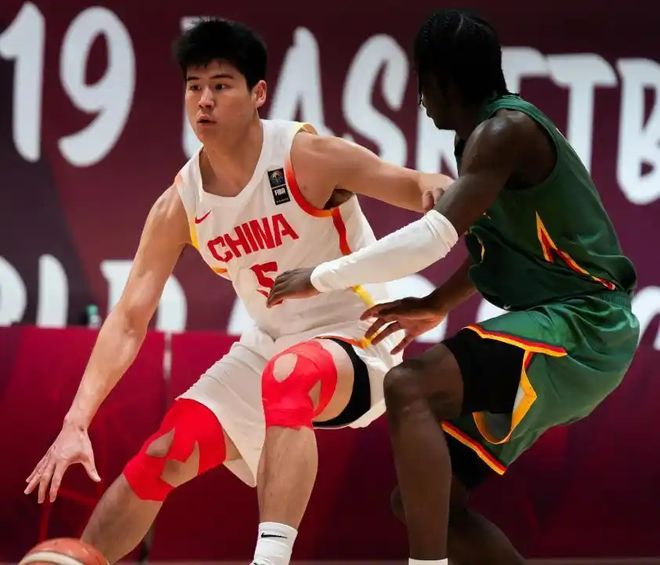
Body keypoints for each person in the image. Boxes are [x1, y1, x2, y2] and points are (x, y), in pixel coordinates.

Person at [24, 17, 452, 565]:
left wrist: (439, 189)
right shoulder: (181, 202)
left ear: (258, 94)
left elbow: (414, 185)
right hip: (271, 344)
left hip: (360, 338)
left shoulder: (305, 157)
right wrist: (75, 422)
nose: (204, 100)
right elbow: (130, 318)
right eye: (194, 86)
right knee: (164, 451)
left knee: (291, 375)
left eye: (221, 85)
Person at [267, 9, 639, 565]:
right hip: (571, 331)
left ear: (440, 81)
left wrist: (318, 277)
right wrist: (435, 304)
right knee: (426, 506)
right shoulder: (481, 138)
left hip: (586, 324)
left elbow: (431, 239)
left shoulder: (504, 131)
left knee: (410, 386)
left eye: (421, 81)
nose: (419, 98)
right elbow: (496, 249)